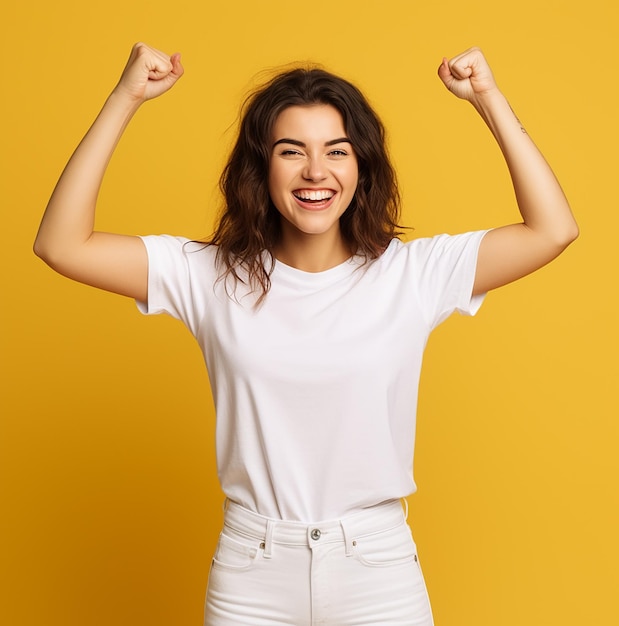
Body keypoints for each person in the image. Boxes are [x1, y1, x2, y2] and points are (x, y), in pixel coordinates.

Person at [34, 42, 578, 625]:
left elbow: (552, 229)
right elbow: (60, 244)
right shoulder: (208, 274)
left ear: (361, 166)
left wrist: (488, 99)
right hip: (252, 570)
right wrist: (126, 98)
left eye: (336, 151)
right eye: (291, 151)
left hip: (378, 571)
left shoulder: (412, 274)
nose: (316, 172)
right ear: (260, 167)